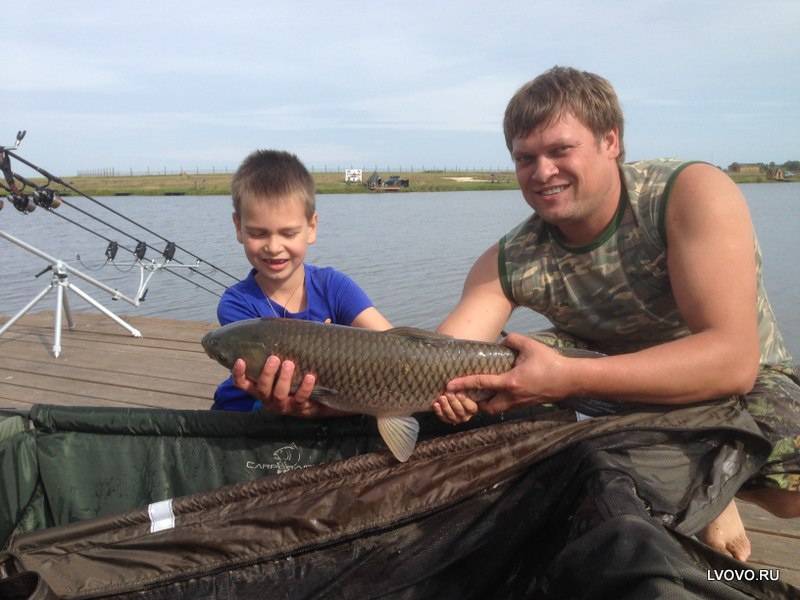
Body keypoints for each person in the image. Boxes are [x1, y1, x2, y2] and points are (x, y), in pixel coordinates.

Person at [431, 66, 800, 562]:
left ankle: (718, 489)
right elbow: (438, 361)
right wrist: (336, 394)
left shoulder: (687, 193)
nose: (542, 172)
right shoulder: (509, 259)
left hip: (735, 382)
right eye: (525, 158)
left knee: (789, 495)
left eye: (560, 150)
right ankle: (692, 479)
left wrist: (566, 378)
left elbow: (732, 361)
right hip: (606, 389)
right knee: (496, 369)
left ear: (611, 141)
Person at [212, 149, 391, 414]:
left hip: (329, 410)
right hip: (247, 414)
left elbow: (392, 345)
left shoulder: (335, 286)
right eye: (258, 233)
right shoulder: (237, 304)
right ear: (238, 227)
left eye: (288, 233)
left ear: (311, 228)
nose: (274, 247)